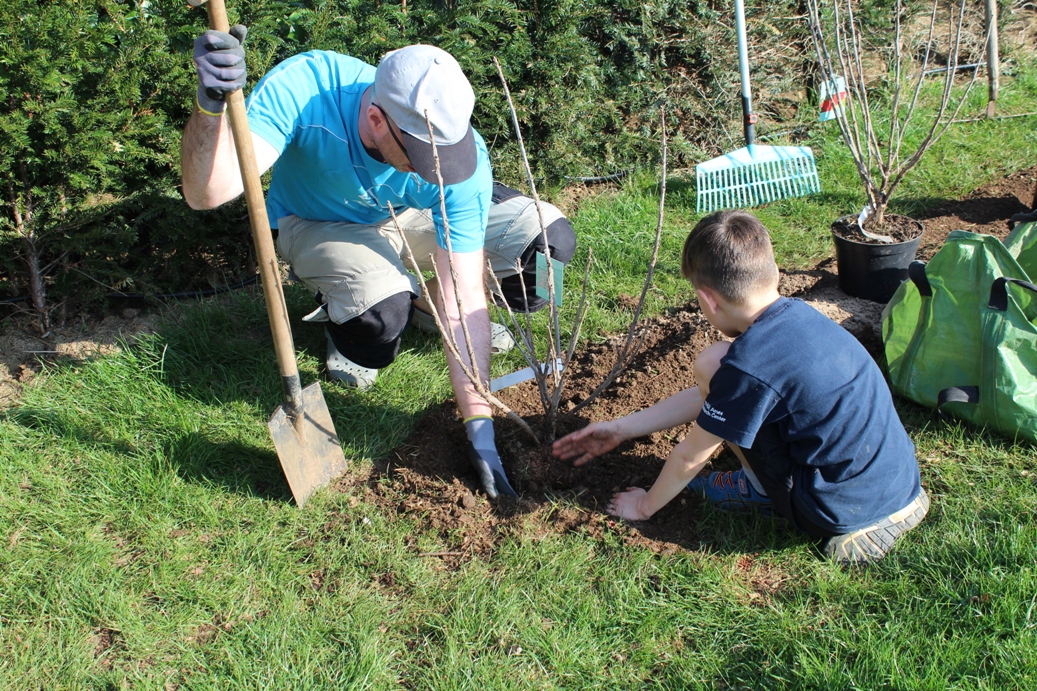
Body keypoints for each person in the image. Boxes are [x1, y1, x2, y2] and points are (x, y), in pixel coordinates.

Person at [181, 29, 575, 500]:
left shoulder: (452, 147)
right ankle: (355, 312)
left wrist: (480, 426)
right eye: (423, 159)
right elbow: (205, 194)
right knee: (382, 320)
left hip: (408, 217)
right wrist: (211, 105)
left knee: (549, 250)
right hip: (320, 222)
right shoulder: (308, 88)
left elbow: (466, 289)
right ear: (376, 120)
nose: (436, 172)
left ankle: (424, 306)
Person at [552, 210, 928, 565]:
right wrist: (621, 429)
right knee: (716, 364)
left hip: (838, 510)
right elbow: (723, 397)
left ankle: (762, 491)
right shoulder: (801, 318)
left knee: (717, 366)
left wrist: (644, 506)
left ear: (708, 299)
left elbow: (690, 458)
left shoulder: (751, 367)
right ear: (773, 272)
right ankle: (881, 504)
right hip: (896, 479)